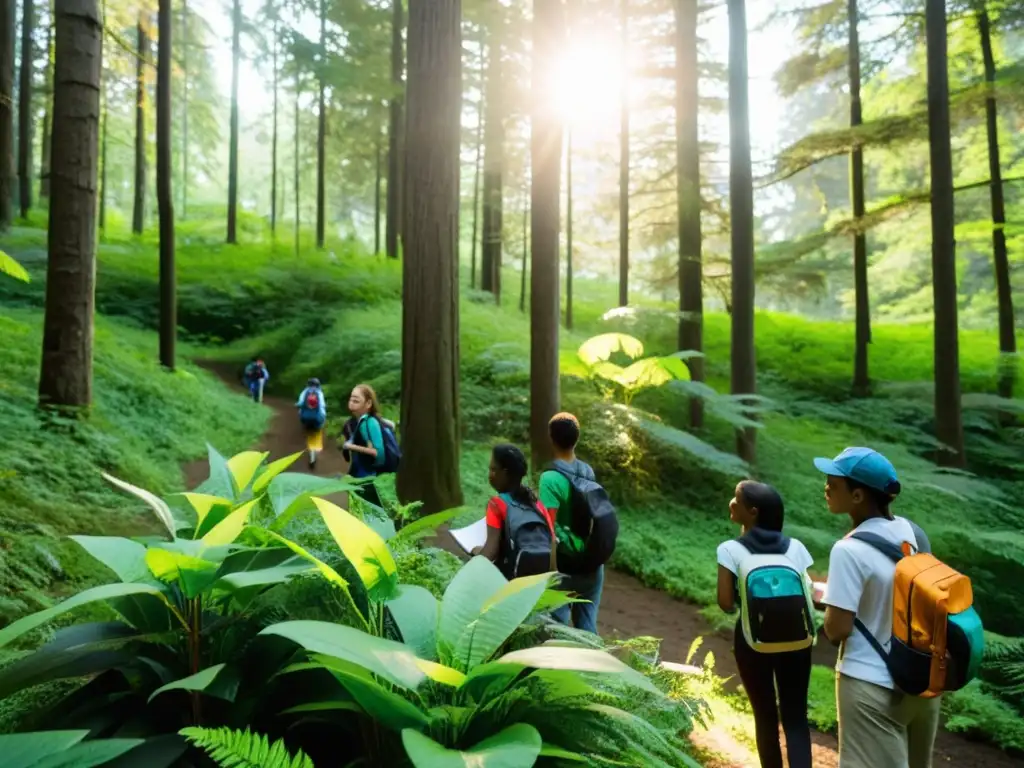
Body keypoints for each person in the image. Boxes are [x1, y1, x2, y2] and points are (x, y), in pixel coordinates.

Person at [815, 447, 940, 768]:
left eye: (834, 482)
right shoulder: (912, 534)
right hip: (920, 681)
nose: (826, 486)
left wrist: (824, 601)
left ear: (857, 496)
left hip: (870, 687)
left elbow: (836, 630)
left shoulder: (848, 549)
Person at [716, 481, 814, 768]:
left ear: (753, 512)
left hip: (752, 640)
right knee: (796, 717)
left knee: (765, 716)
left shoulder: (730, 549)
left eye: (737, 500)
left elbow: (725, 603)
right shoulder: (796, 547)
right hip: (798, 642)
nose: (732, 504)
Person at [539, 412, 610, 634]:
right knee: (587, 630)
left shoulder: (550, 479)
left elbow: (550, 530)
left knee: (556, 630)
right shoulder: (587, 471)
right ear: (576, 439)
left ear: (551, 438)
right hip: (591, 563)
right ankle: (593, 667)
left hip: (564, 564)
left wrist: (551, 571)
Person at [472, 444, 556, 579]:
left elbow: (490, 552)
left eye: (493, 469)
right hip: (540, 583)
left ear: (504, 473)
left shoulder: (496, 504)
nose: (490, 475)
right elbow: (552, 544)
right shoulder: (537, 504)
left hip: (511, 582)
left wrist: (475, 555)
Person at [342, 384, 391, 509]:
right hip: (359, 473)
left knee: (367, 511)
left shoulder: (368, 423)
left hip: (369, 476)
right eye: (351, 399)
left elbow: (376, 452)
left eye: (356, 401)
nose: (351, 404)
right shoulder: (352, 423)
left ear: (368, 403)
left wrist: (351, 447)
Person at [296, 378, 327, 468]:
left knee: (309, 436)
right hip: (317, 419)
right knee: (317, 435)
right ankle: (316, 451)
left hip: (306, 418)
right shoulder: (319, 393)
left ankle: (311, 456)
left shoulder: (304, 392)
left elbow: (300, 404)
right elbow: (322, 406)